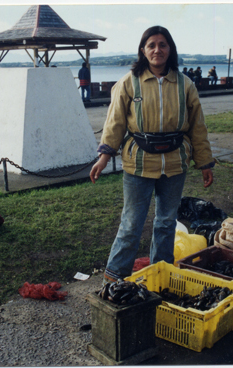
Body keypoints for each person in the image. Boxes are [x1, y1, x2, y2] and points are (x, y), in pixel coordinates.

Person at [89, 25, 215, 284]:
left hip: (175, 163)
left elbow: (197, 127)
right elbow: (115, 123)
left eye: (163, 44)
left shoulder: (185, 84)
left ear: (170, 49)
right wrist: (104, 157)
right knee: (131, 223)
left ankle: (162, 274)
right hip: (138, 163)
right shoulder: (128, 83)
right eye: (152, 45)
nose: (157, 49)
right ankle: (114, 278)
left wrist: (204, 163)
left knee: (167, 222)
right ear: (143, 50)